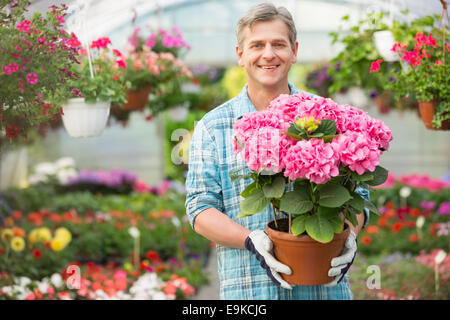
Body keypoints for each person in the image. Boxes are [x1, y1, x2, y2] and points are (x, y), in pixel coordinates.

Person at [185, 2, 369, 300]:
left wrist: (350, 233)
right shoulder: (213, 126)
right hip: (250, 292)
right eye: (257, 44)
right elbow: (199, 207)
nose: (268, 54)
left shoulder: (325, 115)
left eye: (278, 44)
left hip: (324, 291)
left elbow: (358, 196)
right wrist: (250, 240)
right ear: (240, 55)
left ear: (294, 51)